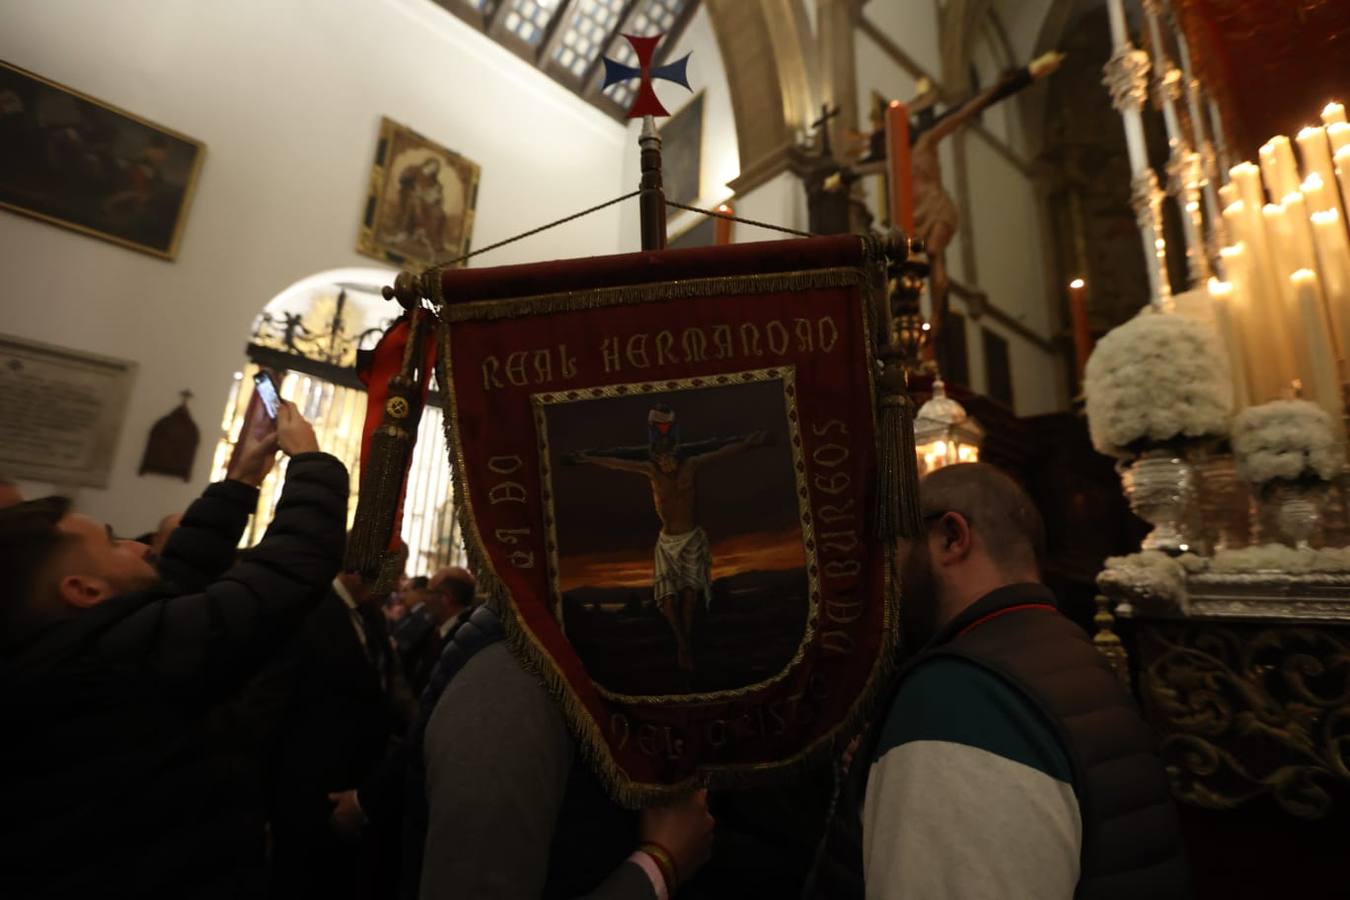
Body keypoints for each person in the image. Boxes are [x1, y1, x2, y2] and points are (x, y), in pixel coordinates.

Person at [0, 402, 347, 898]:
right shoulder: (113, 660)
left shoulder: (67, 647)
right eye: (113, 541)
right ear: (85, 590)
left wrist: (240, 484)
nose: (141, 546)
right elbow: (284, 576)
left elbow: (179, 582)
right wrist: (313, 464)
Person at [859, 463, 1189, 898]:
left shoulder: (959, 697)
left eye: (894, 546)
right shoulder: (1071, 653)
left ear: (950, 538)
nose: (886, 575)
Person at [246, 561, 418, 900]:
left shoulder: (370, 615)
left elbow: (383, 689)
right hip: (305, 790)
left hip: (356, 783)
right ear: (358, 569)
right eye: (392, 574)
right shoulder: (307, 612)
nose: (398, 584)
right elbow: (270, 706)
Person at [566, 405, 770, 671]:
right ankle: (681, 643)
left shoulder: (692, 465)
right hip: (667, 542)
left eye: (670, 458)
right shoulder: (652, 473)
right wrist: (590, 459)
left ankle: (687, 647)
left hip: (691, 540)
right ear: (656, 459)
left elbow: (721, 452)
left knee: (689, 595)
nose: (666, 463)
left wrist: (747, 443)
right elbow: (618, 463)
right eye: (661, 459)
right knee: (668, 600)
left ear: (677, 455)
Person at [395, 565, 476, 695]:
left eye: (429, 592)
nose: (424, 599)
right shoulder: (433, 629)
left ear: (446, 598)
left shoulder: (466, 640)